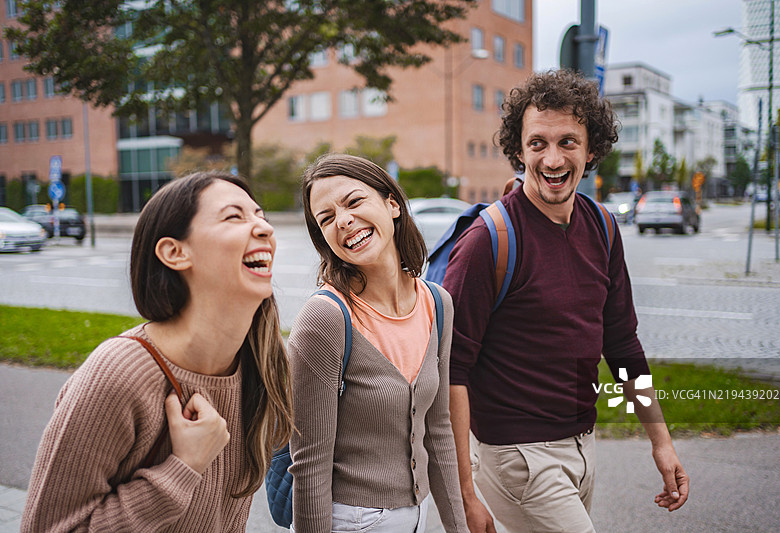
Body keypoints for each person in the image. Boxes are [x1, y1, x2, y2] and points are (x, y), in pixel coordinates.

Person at [443, 70, 690, 533]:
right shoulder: (488, 241)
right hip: (516, 455)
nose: (552, 159)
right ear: (519, 151)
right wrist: (464, 494)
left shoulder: (603, 227)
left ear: (591, 149)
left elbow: (623, 346)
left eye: (568, 142)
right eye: (537, 143)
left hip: (582, 446)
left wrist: (661, 441)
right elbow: (450, 370)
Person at [22, 171, 293, 532]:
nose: (264, 228)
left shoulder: (262, 361)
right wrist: (183, 468)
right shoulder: (118, 375)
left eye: (261, 215)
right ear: (174, 252)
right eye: (234, 216)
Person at [288, 153, 468, 532]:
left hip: (417, 516)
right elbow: (310, 465)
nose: (343, 221)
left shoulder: (437, 304)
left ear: (392, 204)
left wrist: (459, 527)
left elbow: (439, 431)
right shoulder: (325, 317)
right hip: (350, 520)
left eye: (353, 202)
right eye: (326, 218)